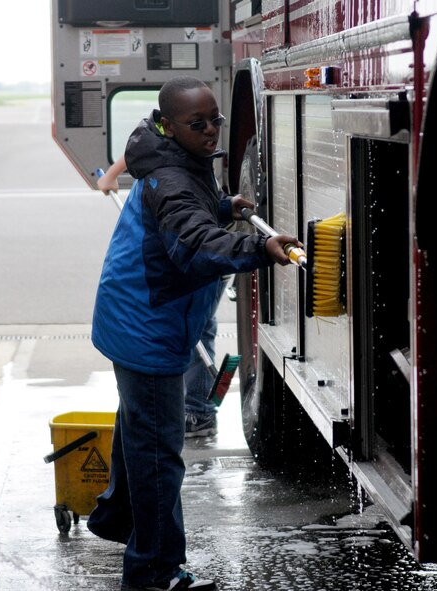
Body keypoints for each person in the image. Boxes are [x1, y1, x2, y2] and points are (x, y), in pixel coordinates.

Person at [88, 75, 299, 591]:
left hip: (138, 318)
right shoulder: (175, 177)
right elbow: (194, 246)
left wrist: (227, 207)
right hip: (148, 327)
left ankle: (117, 519)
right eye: (196, 123)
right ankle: (154, 575)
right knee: (158, 454)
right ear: (166, 124)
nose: (210, 131)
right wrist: (257, 250)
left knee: (139, 433)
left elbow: (191, 218)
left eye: (215, 120)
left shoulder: (174, 161)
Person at [98, 157, 223, 438]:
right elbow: (139, 152)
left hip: (207, 244)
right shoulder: (166, 141)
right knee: (201, 326)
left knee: (197, 328)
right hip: (211, 243)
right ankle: (200, 409)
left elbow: (138, 153)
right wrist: (111, 175)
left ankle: (199, 410)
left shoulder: (169, 141)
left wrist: (109, 176)